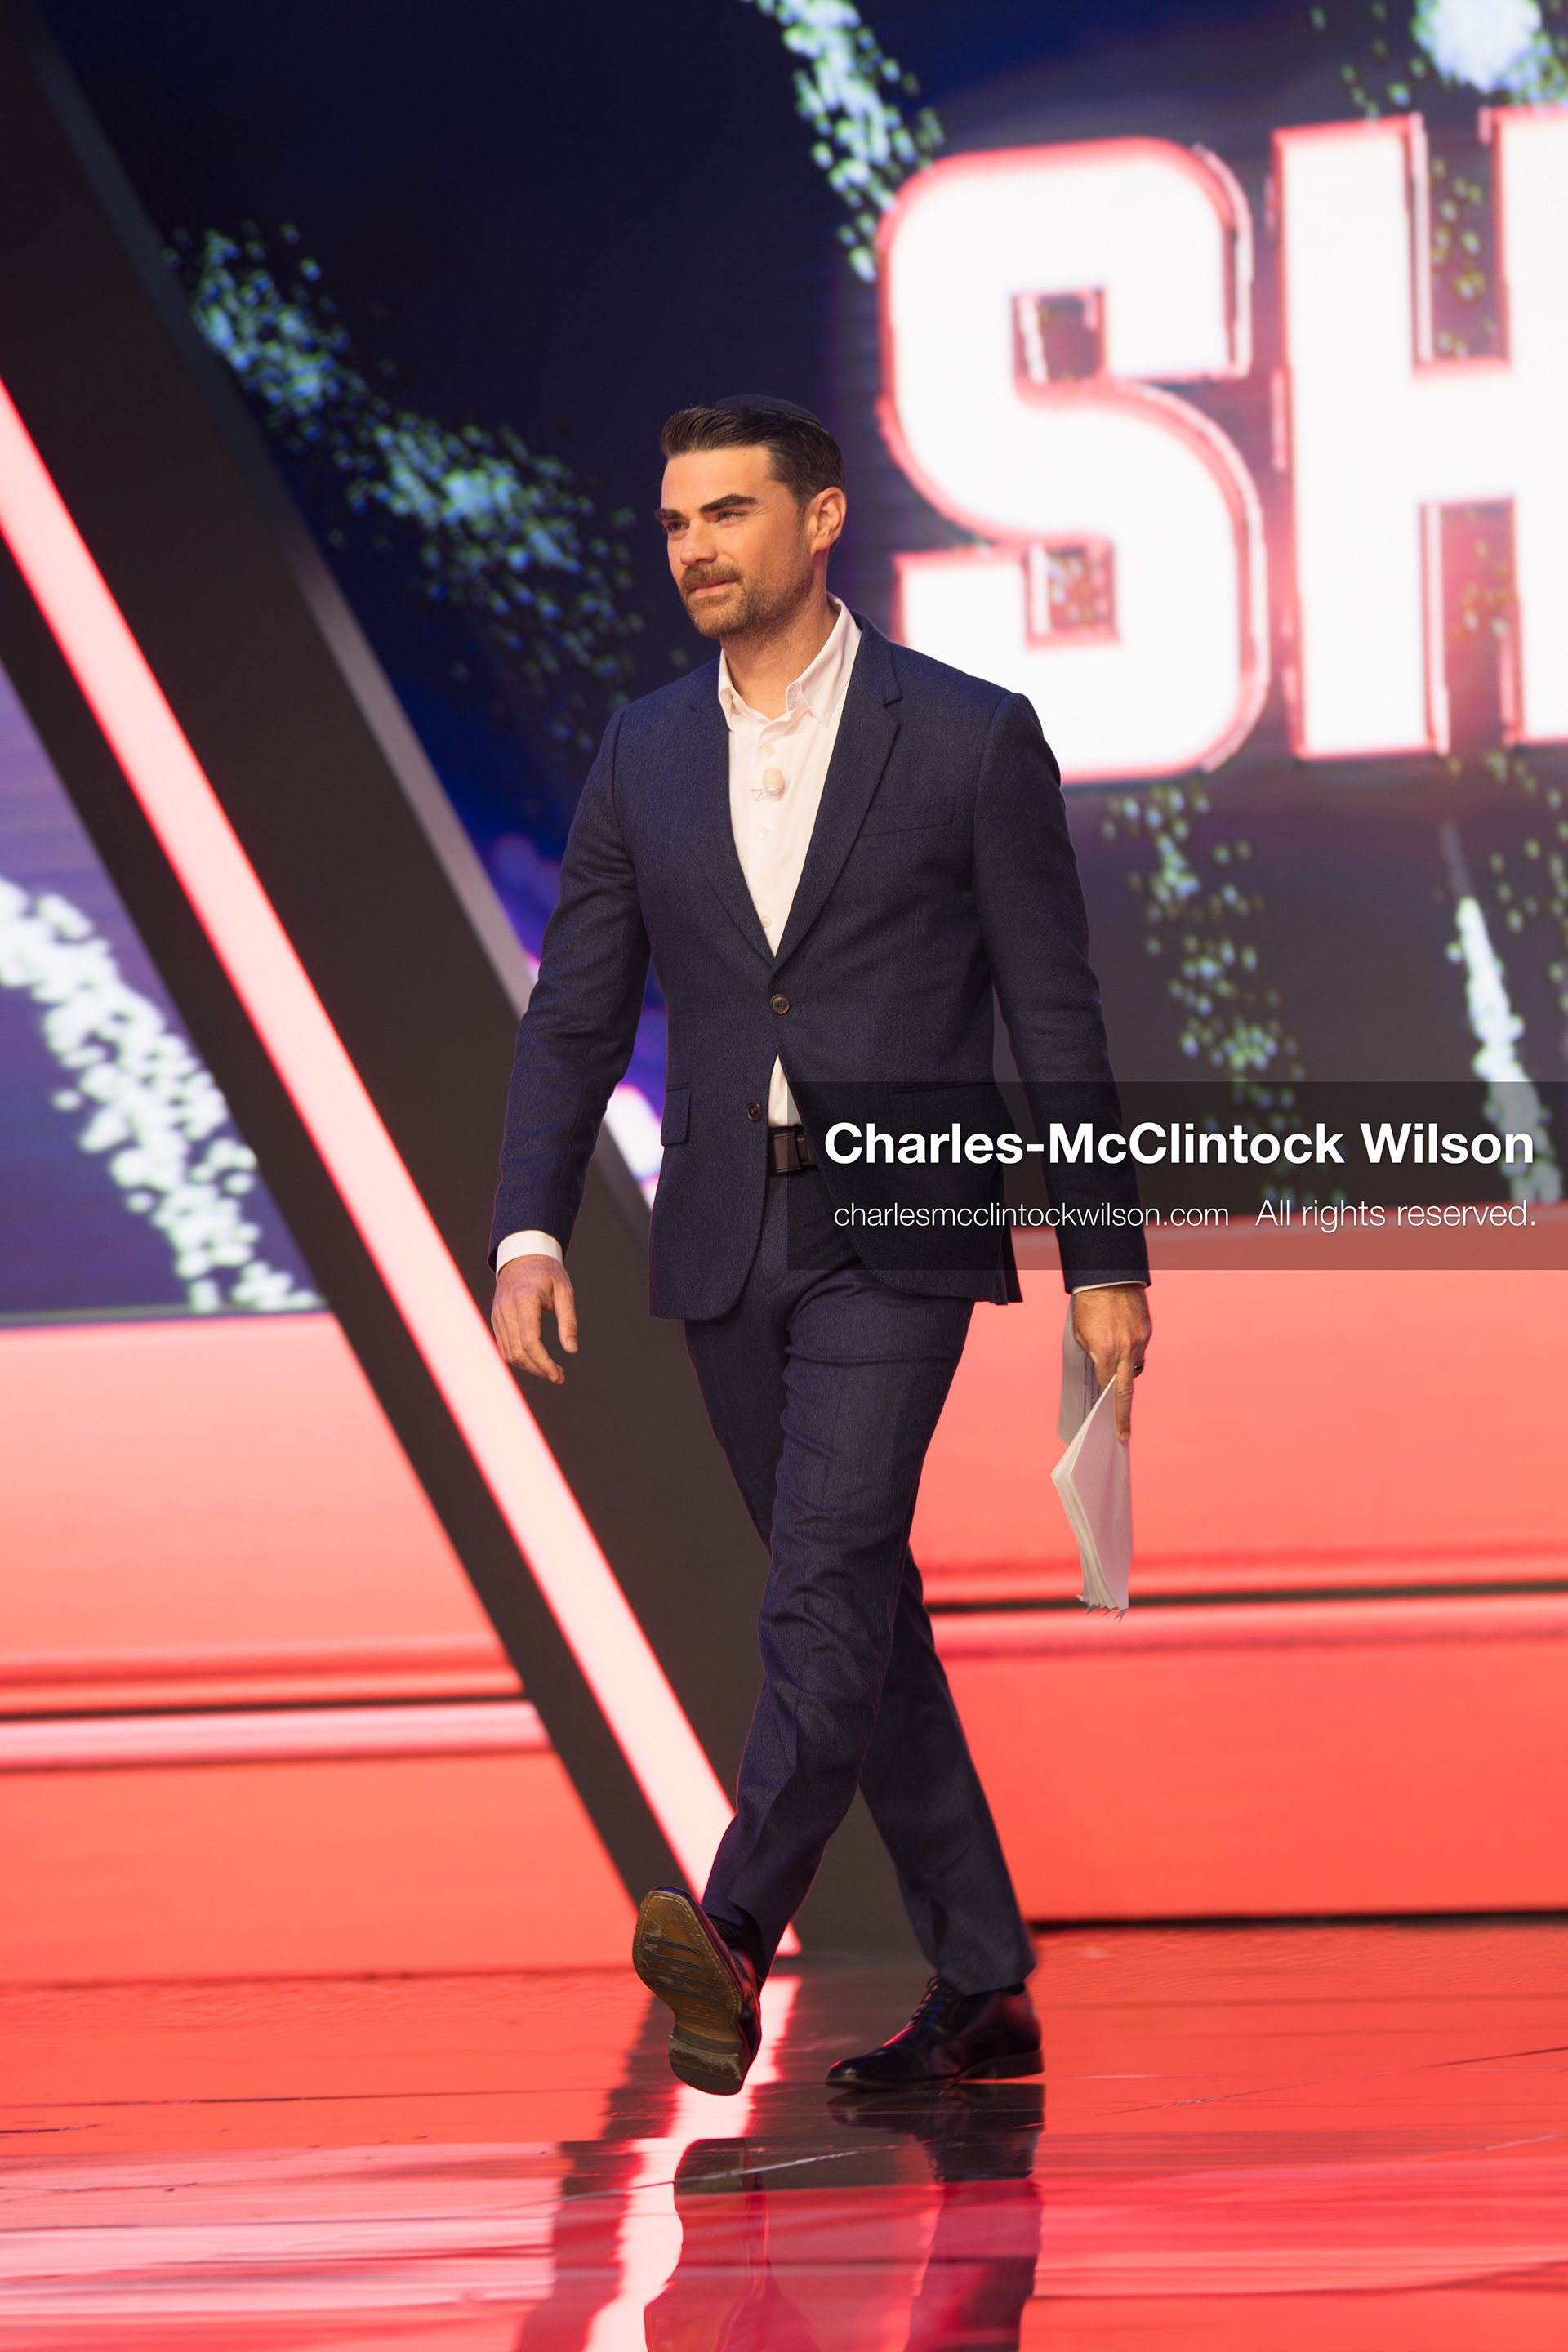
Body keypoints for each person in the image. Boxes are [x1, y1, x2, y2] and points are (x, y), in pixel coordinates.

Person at [489, 395, 1151, 2096]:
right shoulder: (642, 749)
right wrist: (525, 1227)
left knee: (825, 1569)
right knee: (855, 1598)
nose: (696, 549)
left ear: (823, 519)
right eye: (676, 523)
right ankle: (986, 1976)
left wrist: (1103, 1254)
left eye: (727, 513)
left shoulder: (966, 735)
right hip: (721, 1230)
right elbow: (573, 1015)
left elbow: (1054, 1018)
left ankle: (731, 1928)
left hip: (904, 1223)